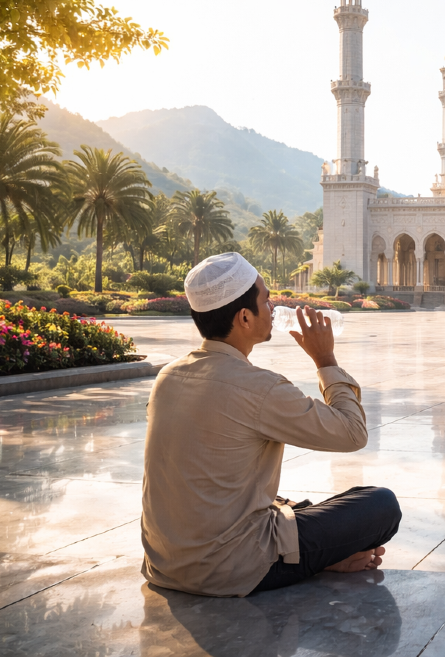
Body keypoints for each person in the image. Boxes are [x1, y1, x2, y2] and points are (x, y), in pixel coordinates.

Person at [140, 252, 401, 597]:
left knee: (293, 507)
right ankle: (320, 557)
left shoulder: (168, 376)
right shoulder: (259, 387)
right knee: (381, 505)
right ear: (245, 318)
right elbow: (353, 433)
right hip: (232, 567)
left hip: (165, 564)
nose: (274, 307)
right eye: (266, 300)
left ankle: (325, 556)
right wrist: (325, 359)